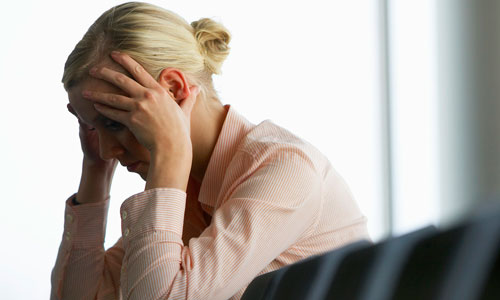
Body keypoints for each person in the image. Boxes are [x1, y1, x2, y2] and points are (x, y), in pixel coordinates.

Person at [50, 2, 370, 299]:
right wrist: (95, 174)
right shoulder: (187, 187)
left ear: (173, 90)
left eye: (115, 123)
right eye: (93, 127)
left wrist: (171, 153)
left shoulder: (285, 169)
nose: (107, 150)